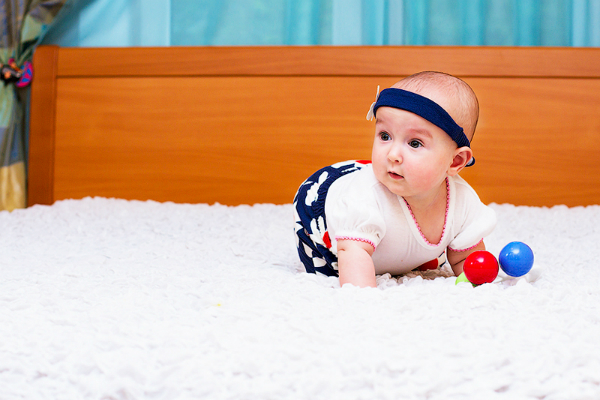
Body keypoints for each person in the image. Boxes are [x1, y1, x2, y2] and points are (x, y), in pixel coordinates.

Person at [293, 71, 497, 288]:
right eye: (385, 136)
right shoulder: (364, 197)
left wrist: (476, 281)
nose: (392, 154)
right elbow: (352, 257)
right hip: (321, 219)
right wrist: (363, 296)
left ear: (455, 161)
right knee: (329, 269)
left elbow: (466, 258)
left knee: (426, 260)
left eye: (415, 143)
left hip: (397, 240)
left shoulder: (462, 201)